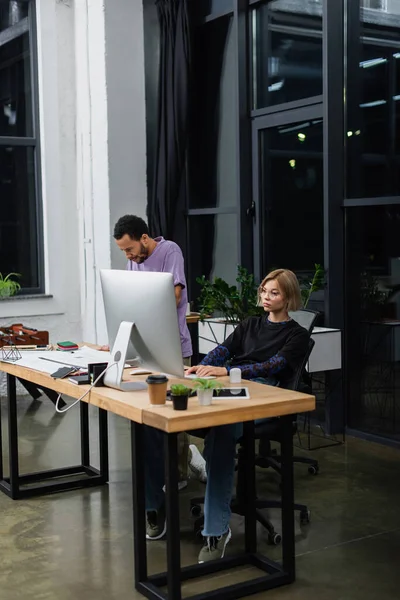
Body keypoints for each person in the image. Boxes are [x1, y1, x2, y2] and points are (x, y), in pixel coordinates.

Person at [144, 268, 310, 562]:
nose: (266, 297)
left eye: (275, 293)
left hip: (264, 397)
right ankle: (157, 506)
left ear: (289, 298)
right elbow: (223, 350)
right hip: (230, 384)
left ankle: (216, 531)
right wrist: (201, 368)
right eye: (264, 291)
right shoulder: (250, 325)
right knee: (155, 418)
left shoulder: (296, 335)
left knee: (221, 432)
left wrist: (229, 371)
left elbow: (271, 366)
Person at [112, 215, 207, 488]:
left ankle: (179, 473)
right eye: (123, 251)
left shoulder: (170, 251)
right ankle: (174, 463)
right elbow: (129, 297)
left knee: (175, 412)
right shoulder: (134, 259)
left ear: (144, 238)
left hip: (174, 345)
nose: (128, 255)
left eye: (129, 249)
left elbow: (175, 296)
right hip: (145, 346)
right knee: (151, 410)